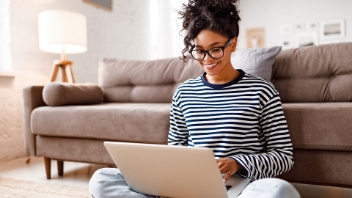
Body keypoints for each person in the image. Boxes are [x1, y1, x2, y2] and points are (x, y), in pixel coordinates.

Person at [89, 0, 300, 197]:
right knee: (101, 179)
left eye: (216, 49)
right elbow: (175, 149)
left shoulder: (262, 90)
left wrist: (237, 163)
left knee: (279, 190)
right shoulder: (184, 92)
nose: (207, 59)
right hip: (190, 186)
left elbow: (283, 156)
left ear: (233, 44)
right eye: (199, 51)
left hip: (239, 188)